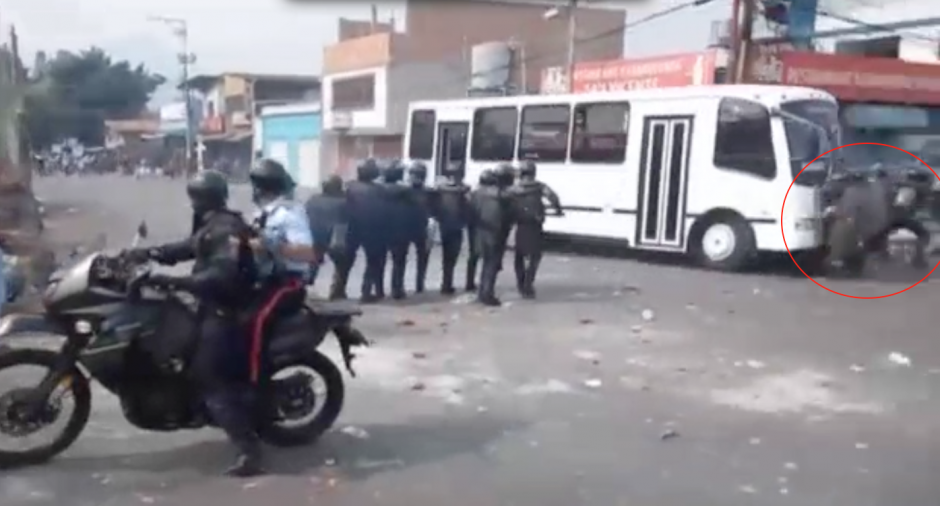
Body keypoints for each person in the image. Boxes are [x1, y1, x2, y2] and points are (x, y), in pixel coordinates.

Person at [126, 170, 261, 476]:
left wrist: (174, 280)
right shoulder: (211, 223)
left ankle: (248, 450)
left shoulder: (227, 228)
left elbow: (222, 275)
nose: (192, 204)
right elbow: (188, 247)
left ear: (203, 198)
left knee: (208, 374)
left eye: (195, 198)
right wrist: (147, 254)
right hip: (205, 301)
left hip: (225, 308)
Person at [509, 160, 563, 298]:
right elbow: (553, 197)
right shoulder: (539, 187)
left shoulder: (514, 189)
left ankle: (521, 284)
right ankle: (528, 284)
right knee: (535, 256)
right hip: (535, 225)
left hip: (520, 224)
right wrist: (558, 210)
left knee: (519, 256)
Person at [340, 159, 387, 303]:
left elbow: (343, 207)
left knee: (346, 261)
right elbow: (382, 211)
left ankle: (337, 291)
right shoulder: (379, 190)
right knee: (373, 262)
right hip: (372, 229)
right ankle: (366, 293)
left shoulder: (349, 187)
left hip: (352, 228)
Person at [469, 168, 511, 306]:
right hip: (495, 233)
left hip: (479, 232)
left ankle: (482, 292)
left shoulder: (474, 194)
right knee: (491, 265)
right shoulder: (501, 195)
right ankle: (487, 294)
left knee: (485, 263)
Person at [304, 175, 349, 297]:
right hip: (334, 239)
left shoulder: (313, 200)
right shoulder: (343, 202)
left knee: (312, 264)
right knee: (342, 265)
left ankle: (305, 287)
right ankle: (337, 292)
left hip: (314, 237)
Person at [433, 163, 472, 294]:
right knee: (452, 257)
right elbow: (467, 209)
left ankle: (445, 283)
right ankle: (447, 284)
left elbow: (436, 209)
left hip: (445, 227)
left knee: (446, 258)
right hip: (456, 228)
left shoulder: (439, 190)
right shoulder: (463, 191)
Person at [397, 161, 433, 295]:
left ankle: (402, 287)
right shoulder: (428, 192)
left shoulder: (403, 191)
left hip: (408, 228)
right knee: (420, 258)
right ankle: (417, 285)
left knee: (402, 259)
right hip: (418, 228)